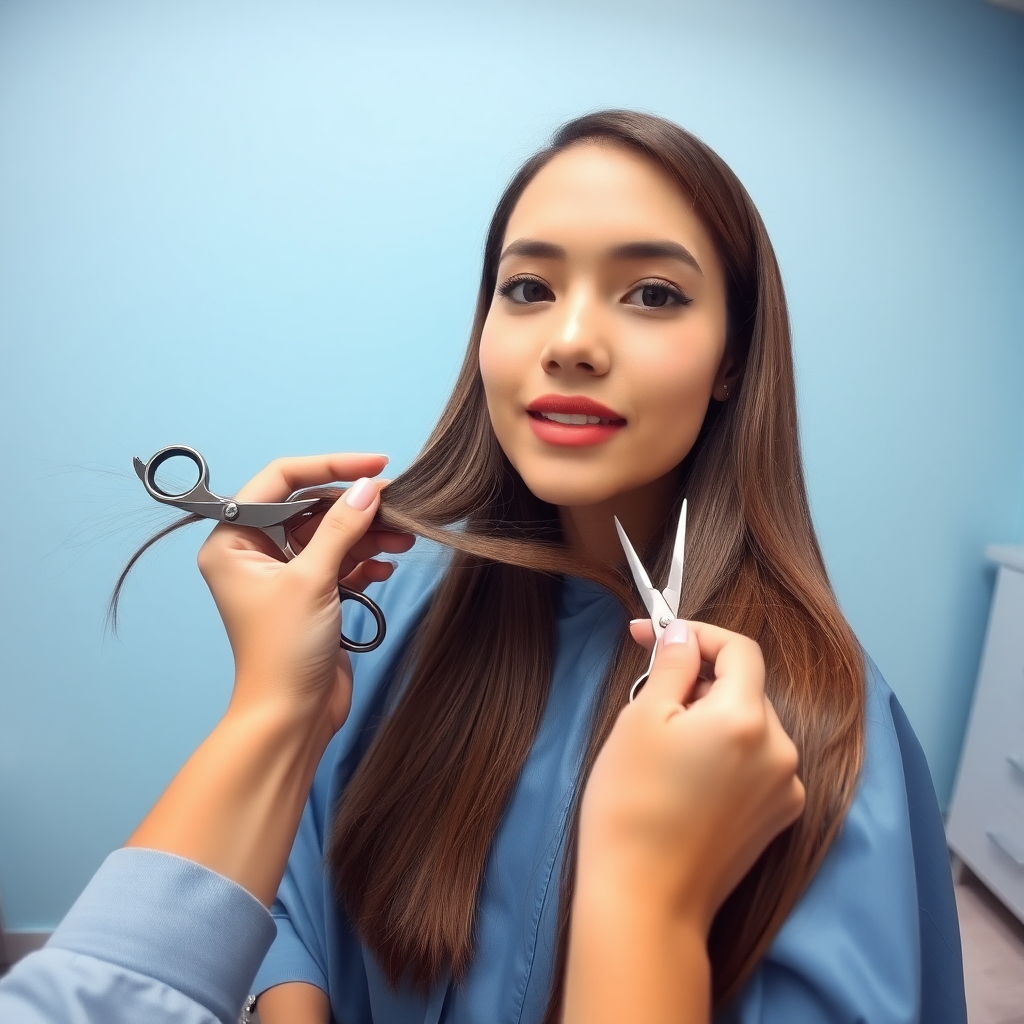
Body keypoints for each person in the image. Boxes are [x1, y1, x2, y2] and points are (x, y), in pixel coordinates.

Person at [0, 109, 917, 1024]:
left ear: (732, 359)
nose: (570, 341)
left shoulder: (812, 720)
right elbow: (285, 890)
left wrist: (647, 906)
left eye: (653, 294)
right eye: (528, 288)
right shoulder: (390, 607)